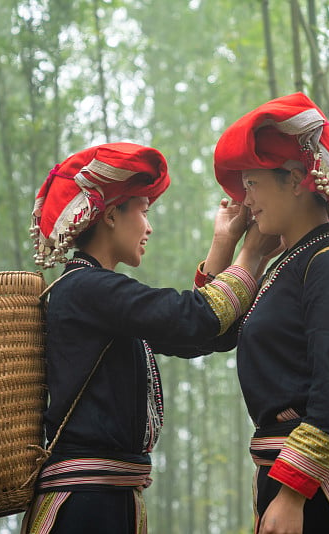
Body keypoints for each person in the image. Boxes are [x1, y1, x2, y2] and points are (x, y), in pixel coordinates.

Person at [23, 142, 273, 534]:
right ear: (109, 215)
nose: (149, 226)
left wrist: (224, 243)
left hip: (104, 500)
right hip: (85, 506)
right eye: (143, 210)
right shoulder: (86, 288)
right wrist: (251, 255)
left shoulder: (93, 292)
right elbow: (196, 319)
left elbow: (205, 337)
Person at [197, 93, 329, 534]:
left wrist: (294, 492)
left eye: (252, 184)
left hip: (319, 488)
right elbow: (213, 330)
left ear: (295, 179)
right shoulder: (290, 265)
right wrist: (230, 245)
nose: (245, 200)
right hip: (291, 475)